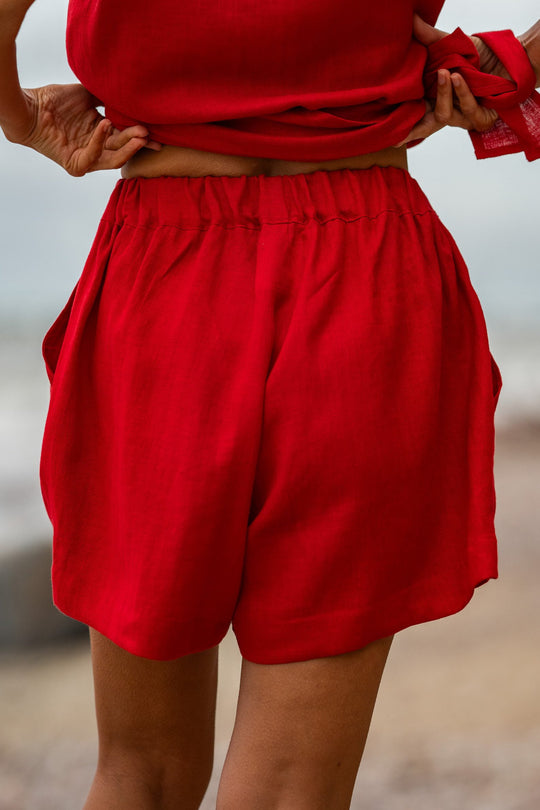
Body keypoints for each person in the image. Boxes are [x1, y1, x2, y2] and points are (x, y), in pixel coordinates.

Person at [1, 1, 538, 808]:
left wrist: (20, 120)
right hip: (367, 266)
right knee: (295, 787)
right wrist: (517, 63)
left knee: (139, 774)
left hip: (165, 277)